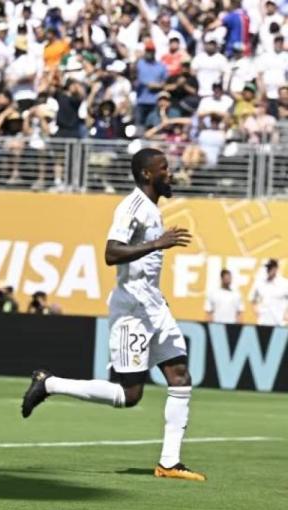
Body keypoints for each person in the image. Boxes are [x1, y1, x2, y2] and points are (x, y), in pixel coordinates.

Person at [22, 148, 204, 482]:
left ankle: (170, 463)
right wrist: (157, 244)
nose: (171, 173)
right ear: (147, 174)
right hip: (131, 312)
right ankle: (49, 384)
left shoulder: (152, 209)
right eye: (164, 168)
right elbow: (110, 253)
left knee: (180, 376)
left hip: (153, 307)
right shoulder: (132, 206)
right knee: (130, 395)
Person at [249, 259, 288, 327]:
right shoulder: (260, 283)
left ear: (276, 269)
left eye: (270, 268)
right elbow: (252, 298)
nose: (268, 270)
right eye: (267, 268)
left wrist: (286, 313)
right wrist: (256, 311)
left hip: (279, 323)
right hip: (263, 322)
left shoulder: (284, 283)